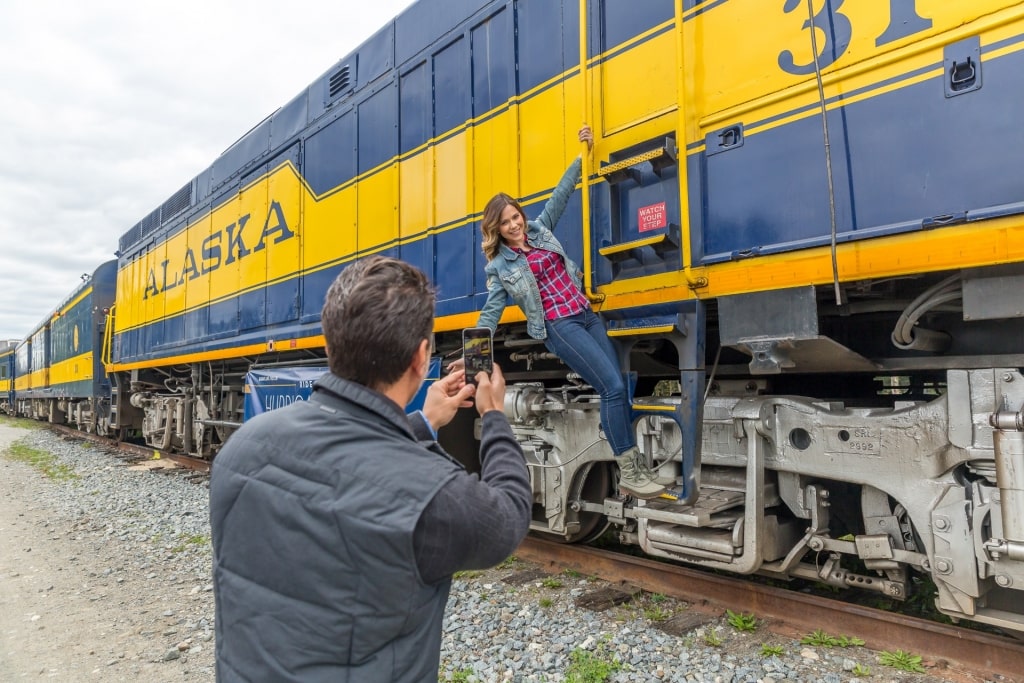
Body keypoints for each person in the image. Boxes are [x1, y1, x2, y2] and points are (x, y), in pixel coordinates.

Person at [209, 256, 532, 682]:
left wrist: (424, 422)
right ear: (421, 358)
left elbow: (352, 459)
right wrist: (493, 415)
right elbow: (507, 516)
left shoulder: (241, 448)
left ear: (330, 345)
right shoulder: (430, 492)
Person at [475, 124, 665, 499]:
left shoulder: (541, 230)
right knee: (610, 387)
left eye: (516, 216)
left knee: (620, 384)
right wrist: (474, 353)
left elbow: (561, 194)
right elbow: (490, 313)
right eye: (506, 222)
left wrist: (584, 154)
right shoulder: (499, 267)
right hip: (559, 326)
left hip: (584, 314)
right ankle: (630, 470)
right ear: (496, 229)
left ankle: (626, 461)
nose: (514, 225)